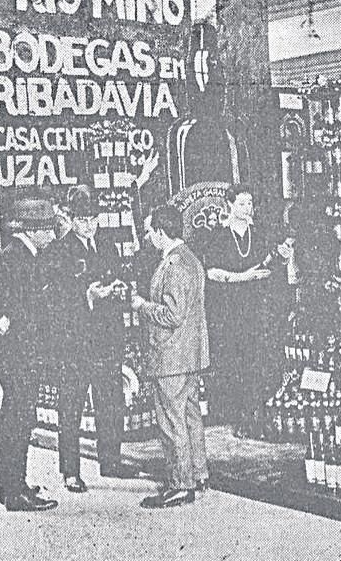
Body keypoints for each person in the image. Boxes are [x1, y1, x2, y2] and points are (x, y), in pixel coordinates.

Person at [45, 186, 138, 493]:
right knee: (70, 406)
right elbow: (55, 301)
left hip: (108, 339)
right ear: (71, 219)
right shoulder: (59, 252)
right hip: (75, 343)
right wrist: (88, 296)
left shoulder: (107, 245)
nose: (89, 225)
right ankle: (70, 471)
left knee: (110, 402)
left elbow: (117, 274)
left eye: (94, 219)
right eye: (83, 220)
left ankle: (110, 461)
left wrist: (119, 288)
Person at [132, 205, 210, 508]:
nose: (148, 237)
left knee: (171, 420)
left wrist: (141, 305)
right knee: (191, 417)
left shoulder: (174, 264)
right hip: (190, 355)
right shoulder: (190, 259)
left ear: (162, 232)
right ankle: (198, 474)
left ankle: (180, 484)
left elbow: (173, 314)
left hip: (170, 356)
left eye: (150, 231)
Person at [203, 184, 293, 438]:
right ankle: (241, 418)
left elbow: (272, 264)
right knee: (236, 364)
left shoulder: (260, 233)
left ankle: (257, 415)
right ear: (229, 205)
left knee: (259, 361)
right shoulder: (217, 237)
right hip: (230, 312)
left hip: (258, 309)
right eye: (242, 203)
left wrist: (284, 257)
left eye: (250, 203)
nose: (247, 207)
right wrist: (243, 276)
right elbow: (212, 273)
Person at [0, 197, 59, 511]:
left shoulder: (23, 255)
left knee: (18, 420)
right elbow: (7, 312)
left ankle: (12, 485)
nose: (53, 236)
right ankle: (14, 490)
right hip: (19, 356)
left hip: (22, 354)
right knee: (17, 421)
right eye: (49, 229)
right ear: (33, 230)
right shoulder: (15, 258)